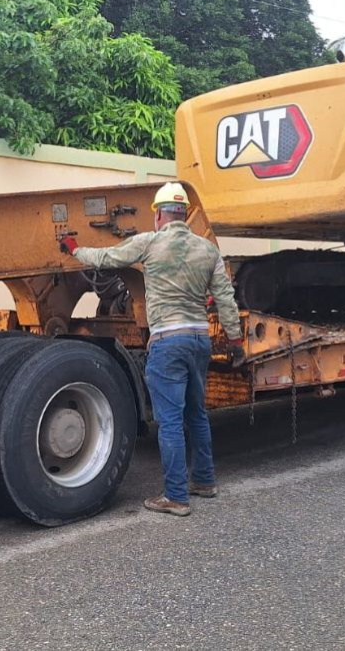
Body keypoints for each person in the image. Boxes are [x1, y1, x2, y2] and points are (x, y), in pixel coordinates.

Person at [58, 182, 244, 517]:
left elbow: (104, 258)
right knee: (197, 414)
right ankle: (204, 481)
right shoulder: (207, 250)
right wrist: (235, 341)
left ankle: (176, 496)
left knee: (170, 420)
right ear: (184, 215)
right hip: (199, 340)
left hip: (168, 341)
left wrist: (74, 249)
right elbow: (226, 299)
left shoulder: (150, 243)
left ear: (158, 215)